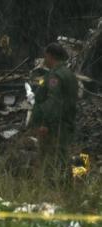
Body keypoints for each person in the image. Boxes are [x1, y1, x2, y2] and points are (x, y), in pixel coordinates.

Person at [30, 42, 80, 172]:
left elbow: (53, 100)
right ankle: (68, 186)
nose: (44, 59)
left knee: (51, 160)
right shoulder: (69, 74)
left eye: (45, 56)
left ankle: (55, 187)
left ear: (50, 56)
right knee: (63, 155)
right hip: (66, 122)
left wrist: (45, 123)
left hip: (55, 127)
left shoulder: (55, 75)